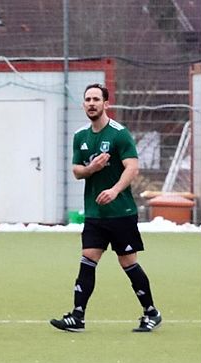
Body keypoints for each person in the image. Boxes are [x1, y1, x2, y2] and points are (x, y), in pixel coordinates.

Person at [50, 83, 161, 333]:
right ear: (83, 104)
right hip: (95, 214)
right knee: (88, 258)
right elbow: (77, 171)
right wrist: (92, 169)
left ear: (106, 104)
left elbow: (132, 167)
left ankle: (151, 312)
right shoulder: (81, 136)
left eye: (96, 99)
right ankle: (77, 316)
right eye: (87, 99)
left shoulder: (119, 134)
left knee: (128, 262)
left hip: (121, 213)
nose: (91, 103)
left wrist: (114, 190)